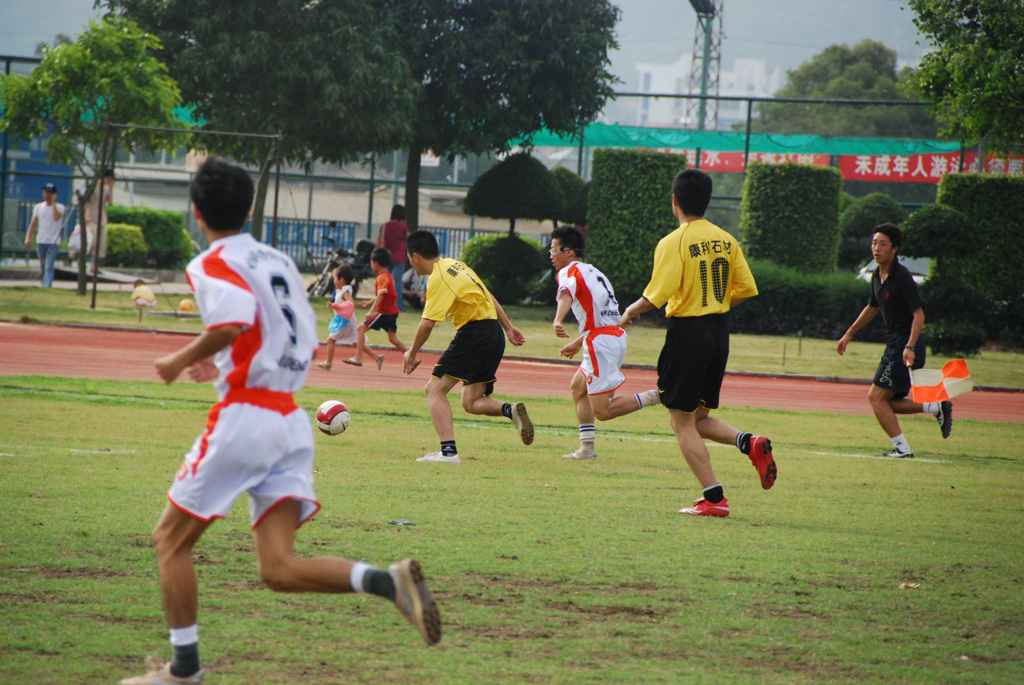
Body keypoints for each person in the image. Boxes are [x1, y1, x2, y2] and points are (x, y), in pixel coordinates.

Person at [123, 158, 440, 685]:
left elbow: (232, 322)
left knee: (170, 542)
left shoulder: (210, 262)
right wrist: (225, 361)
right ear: (249, 209)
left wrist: (180, 359)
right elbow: (284, 332)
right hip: (289, 421)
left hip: (245, 419)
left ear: (197, 213)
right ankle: (388, 583)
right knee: (277, 568)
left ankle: (183, 671)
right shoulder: (277, 260)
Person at [619, 168, 776, 518]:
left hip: (688, 333)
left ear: (675, 201)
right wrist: (715, 305)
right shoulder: (726, 239)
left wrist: (630, 310)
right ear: (707, 200)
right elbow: (746, 289)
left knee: (681, 421)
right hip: (719, 331)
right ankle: (750, 443)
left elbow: (655, 296)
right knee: (699, 416)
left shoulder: (673, 241)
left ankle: (714, 498)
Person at [402, 229, 534, 464]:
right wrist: (507, 327)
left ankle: (448, 453)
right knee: (470, 401)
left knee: (434, 390)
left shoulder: (437, 277)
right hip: (494, 333)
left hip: (475, 333)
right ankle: (510, 410)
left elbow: (427, 324)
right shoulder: (457, 265)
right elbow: (487, 294)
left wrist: (411, 353)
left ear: (415, 256)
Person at [836, 223, 952, 458]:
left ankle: (902, 449)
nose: (876, 248)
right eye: (874, 243)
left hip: (904, 345)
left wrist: (909, 346)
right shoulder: (877, 275)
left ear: (894, 249)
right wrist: (848, 334)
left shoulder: (901, 276)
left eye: (882, 244)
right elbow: (872, 307)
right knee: (888, 402)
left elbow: (919, 315)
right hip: (896, 344)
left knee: (875, 398)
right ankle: (934, 406)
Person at [549, 225, 661, 460]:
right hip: (609, 338)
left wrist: (558, 319)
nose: (551, 255)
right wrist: (578, 343)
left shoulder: (569, 271)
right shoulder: (595, 273)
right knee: (578, 388)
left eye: (554, 250)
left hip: (600, 344)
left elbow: (566, 294)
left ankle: (659, 395)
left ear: (569, 252)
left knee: (603, 411)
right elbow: (605, 319)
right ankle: (587, 449)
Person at [345, 247, 410, 370]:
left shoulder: (382, 277)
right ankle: (412, 359)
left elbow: (381, 294)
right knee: (393, 339)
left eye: (371, 262)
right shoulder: (387, 275)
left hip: (385, 313)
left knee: (360, 329)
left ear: (376, 263)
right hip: (392, 312)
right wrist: (369, 303)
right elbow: (385, 294)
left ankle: (358, 358)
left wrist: (371, 311)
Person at [24, 182, 66, 288]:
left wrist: (53, 202)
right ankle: (43, 283)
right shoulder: (38, 207)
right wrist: (28, 237)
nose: (47, 195)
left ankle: (47, 285)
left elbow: (56, 217)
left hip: (53, 241)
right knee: (42, 264)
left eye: (49, 193)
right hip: (41, 240)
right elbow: (33, 223)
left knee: (49, 264)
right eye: (45, 192)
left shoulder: (60, 207)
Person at [316, 265, 357, 371]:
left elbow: (350, 303)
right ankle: (377, 357)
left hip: (345, 322)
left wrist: (336, 306)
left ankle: (328, 363)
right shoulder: (342, 290)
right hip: (347, 321)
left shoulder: (345, 291)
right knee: (357, 343)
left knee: (330, 340)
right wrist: (334, 305)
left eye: (335, 278)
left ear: (341, 279)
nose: (334, 281)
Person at [78, 168, 115, 274]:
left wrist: (111, 189)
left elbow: (110, 202)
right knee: (92, 241)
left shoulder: (105, 189)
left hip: (101, 220)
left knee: (101, 244)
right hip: (91, 218)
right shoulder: (93, 187)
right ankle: (78, 260)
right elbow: (84, 199)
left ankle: (94, 267)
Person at [376, 204, 409, 311]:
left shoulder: (385, 226)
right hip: (399, 257)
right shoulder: (403, 227)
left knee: (385, 282)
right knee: (397, 283)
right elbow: (408, 238)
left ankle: (383, 304)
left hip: (386, 257)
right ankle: (398, 306)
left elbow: (380, 240)